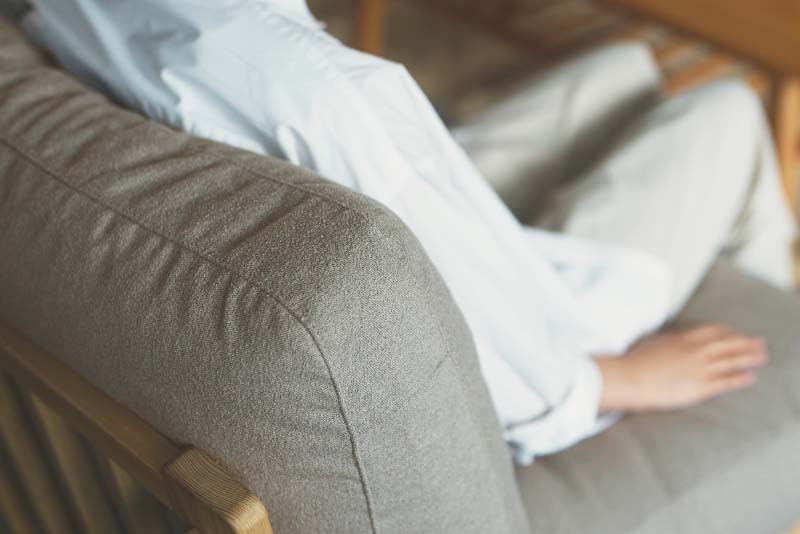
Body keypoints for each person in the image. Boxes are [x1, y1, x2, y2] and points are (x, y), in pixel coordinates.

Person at [21, 0, 797, 464]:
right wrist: (610, 380)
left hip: (414, 213)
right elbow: (454, 294)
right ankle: (777, 312)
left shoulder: (88, 15)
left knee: (624, 67)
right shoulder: (311, 93)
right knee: (727, 109)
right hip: (535, 332)